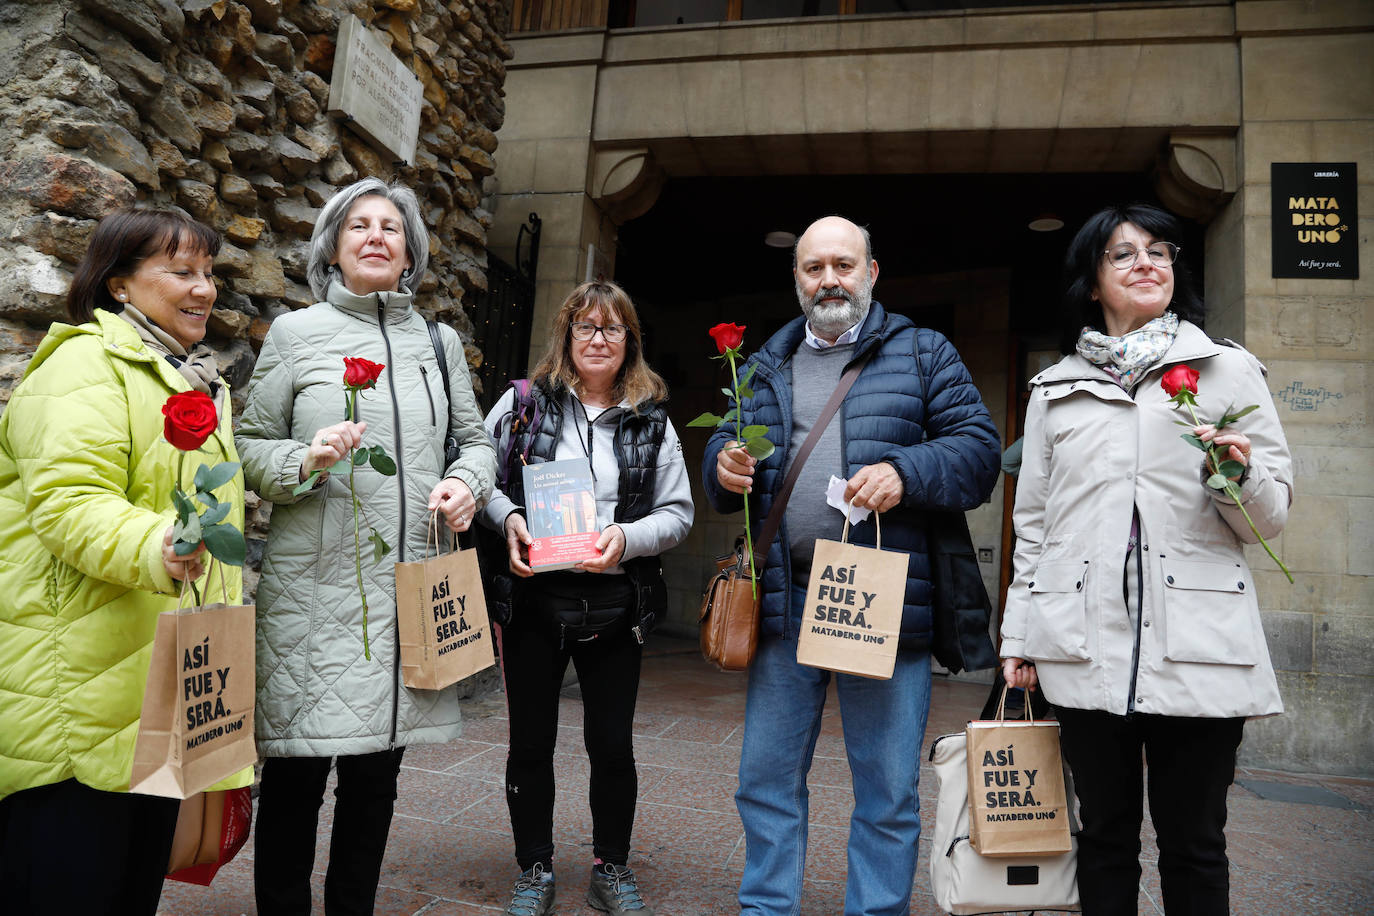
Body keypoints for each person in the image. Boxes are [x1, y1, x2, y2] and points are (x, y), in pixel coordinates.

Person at [703, 216, 1001, 916]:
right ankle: (767, 907)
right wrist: (722, 466)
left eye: (844, 264)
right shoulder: (765, 363)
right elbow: (720, 459)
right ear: (797, 280)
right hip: (785, 602)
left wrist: (905, 470)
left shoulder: (924, 353)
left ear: (872, 273)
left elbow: (979, 452)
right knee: (765, 779)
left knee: (888, 788)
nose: (828, 279)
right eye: (813, 268)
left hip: (885, 605)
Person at [1000, 203, 1292, 915]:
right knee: (1103, 839)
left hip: (1197, 644)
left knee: (1195, 844)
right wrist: (1018, 637)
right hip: (1080, 641)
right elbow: (1033, 524)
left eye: (1160, 251)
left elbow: (1270, 519)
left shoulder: (1225, 372)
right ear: (1093, 284)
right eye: (1124, 254)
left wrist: (1236, 475)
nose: (1147, 263)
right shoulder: (1054, 390)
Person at [236, 178, 497, 916]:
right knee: (295, 780)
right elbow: (249, 446)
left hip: (403, 590)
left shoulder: (438, 344)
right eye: (360, 226)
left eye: (392, 227)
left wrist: (466, 484)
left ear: (411, 252)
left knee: (376, 782)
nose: (377, 236)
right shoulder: (295, 335)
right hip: (314, 592)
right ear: (333, 247)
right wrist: (304, 459)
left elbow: (477, 444)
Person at [0, 208, 252, 914]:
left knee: (130, 889)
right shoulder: (84, 363)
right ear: (117, 285)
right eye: (181, 272)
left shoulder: (190, 378)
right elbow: (69, 502)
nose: (204, 289)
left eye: (209, 272)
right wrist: (157, 545)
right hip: (80, 689)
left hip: (155, 682)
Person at [479, 280, 693, 916]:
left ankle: (611, 867)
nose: (598, 339)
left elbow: (678, 514)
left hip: (614, 603)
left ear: (630, 342)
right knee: (530, 744)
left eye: (612, 329)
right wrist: (509, 516)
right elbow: (475, 474)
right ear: (566, 338)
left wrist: (625, 538)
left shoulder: (652, 419)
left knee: (611, 744)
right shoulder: (520, 405)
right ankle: (534, 868)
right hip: (534, 602)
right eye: (586, 328)